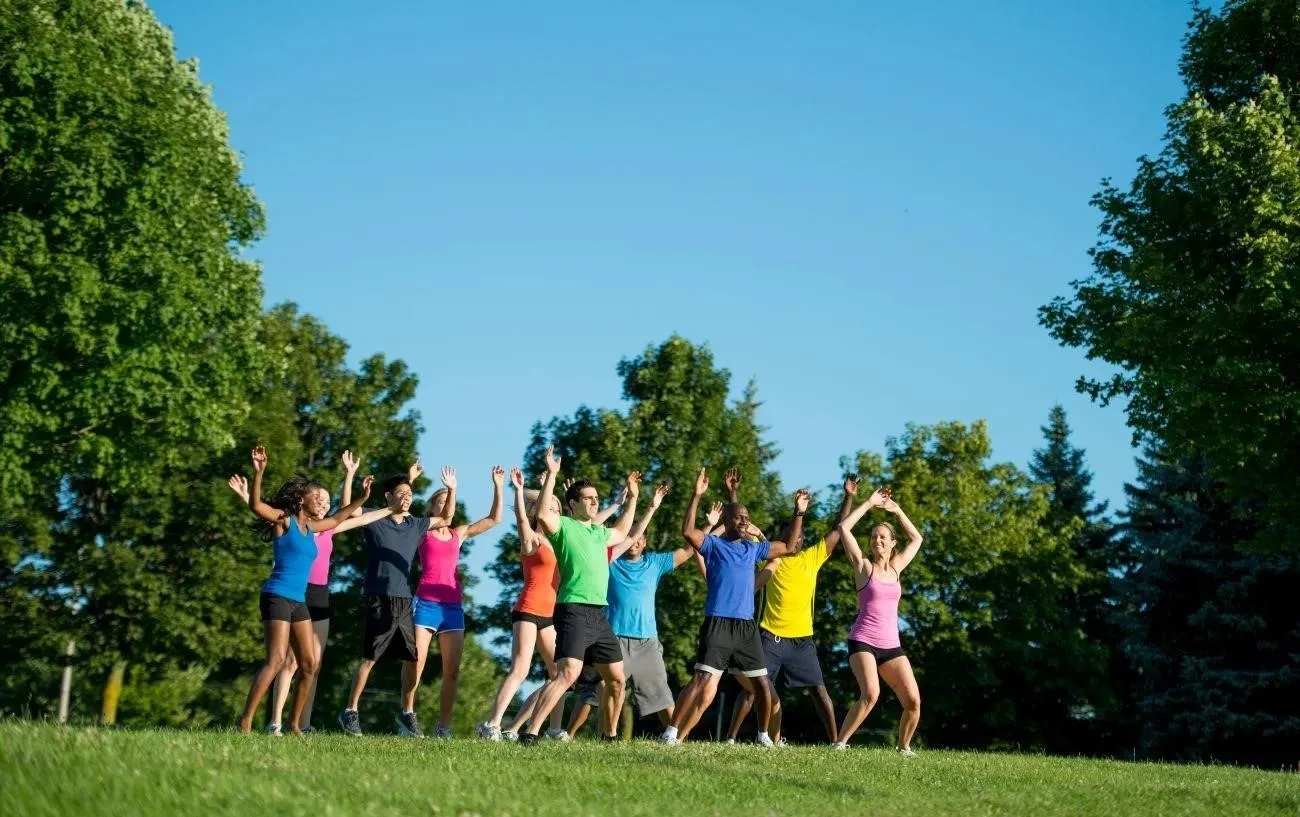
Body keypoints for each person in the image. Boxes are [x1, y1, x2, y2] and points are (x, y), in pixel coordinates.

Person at [517, 447, 667, 745]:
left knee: (616, 678)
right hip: (572, 609)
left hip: (599, 614)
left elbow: (625, 530)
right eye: (588, 497)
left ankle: (609, 736)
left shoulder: (599, 533)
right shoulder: (563, 527)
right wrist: (552, 476)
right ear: (572, 504)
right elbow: (545, 512)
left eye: (596, 496)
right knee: (567, 674)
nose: (594, 500)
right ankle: (531, 733)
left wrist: (635, 498)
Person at [234, 445, 379, 734]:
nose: (322, 503)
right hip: (276, 595)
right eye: (317, 498)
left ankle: (295, 724)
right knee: (276, 660)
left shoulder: (312, 529)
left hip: (298, 601)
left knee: (310, 664)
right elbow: (256, 507)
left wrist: (363, 497)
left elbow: (338, 519)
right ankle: (246, 721)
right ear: (302, 501)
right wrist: (259, 472)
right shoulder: (283, 522)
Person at [661, 469, 807, 747]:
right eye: (739, 518)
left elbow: (789, 546)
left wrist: (798, 513)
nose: (745, 521)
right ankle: (671, 731)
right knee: (702, 679)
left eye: (747, 518)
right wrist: (696, 496)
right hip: (718, 622)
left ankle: (763, 735)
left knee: (763, 685)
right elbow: (687, 531)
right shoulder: (713, 545)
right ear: (726, 521)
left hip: (745, 627)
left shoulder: (753, 549)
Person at [338, 460, 452, 738]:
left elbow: (447, 518)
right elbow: (346, 514)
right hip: (379, 596)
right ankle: (350, 711)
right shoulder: (375, 519)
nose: (406, 498)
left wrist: (452, 489)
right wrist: (350, 475)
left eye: (410, 494)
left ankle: (407, 713)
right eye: (400, 494)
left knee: (413, 658)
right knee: (370, 658)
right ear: (388, 496)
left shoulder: (416, 524)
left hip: (404, 600)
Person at [749, 474, 863, 745]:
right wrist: (797, 511)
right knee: (757, 688)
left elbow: (838, 530)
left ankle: (837, 741)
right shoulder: (769, 556)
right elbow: (741, 528)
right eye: (792, 534)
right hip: (770, 636)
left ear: (802, 542)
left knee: (819, 691)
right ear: (785, 537)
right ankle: (763, 737)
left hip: (802, 640)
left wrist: (848, 496)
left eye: (800, 537)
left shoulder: (811, 558)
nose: (796, 539)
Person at [409, 465, 505, 738]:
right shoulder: (422, 531)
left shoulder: (458, 534)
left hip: (451, 607)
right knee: (417, 662)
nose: (445, 505)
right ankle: (409, 717)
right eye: (440, 501)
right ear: (431, 508)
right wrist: (412, 481)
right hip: (425, 603)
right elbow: (402, 512)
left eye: (449, 500)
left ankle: (444, 726)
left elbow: (494, 519)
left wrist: (497, 485)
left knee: (451, 671)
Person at [831, 487, 924, 755]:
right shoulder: (863, 567)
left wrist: (896, 510)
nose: (877, 541)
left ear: (892, 542)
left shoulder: (896, 568)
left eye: (883, 537)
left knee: (913, 702)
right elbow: (844, 528)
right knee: (870, 694)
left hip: (891, 645)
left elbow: (917, 538)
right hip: (862, 641)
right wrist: (870, 503)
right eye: (873, 537)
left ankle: (903, 748)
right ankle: (839, 744)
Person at [477, 469, 567, 740]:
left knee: (559, 673)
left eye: (555, 507)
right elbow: (520, 519)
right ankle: (491, 724)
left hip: (550, 614)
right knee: (520, 669)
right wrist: (518, 491)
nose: (551, 511)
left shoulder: (561, 542)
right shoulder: (532, 539)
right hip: (528, 610)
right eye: (546, 506)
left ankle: (552, 729)